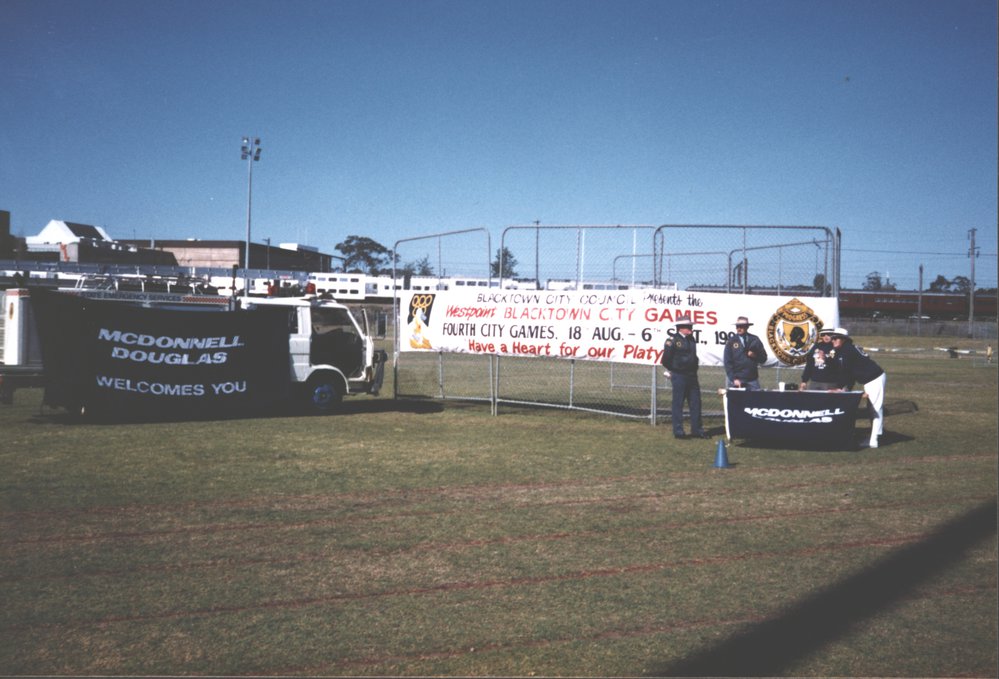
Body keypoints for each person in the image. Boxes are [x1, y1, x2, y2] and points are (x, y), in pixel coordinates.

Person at [828, 328, 886, 449]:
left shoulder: (847, 351)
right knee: (872, 409)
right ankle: (875, 437)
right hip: (868, 379)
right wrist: (844, 388)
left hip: (875, 377)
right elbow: (850, 374)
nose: (833, 340)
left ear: (843, 339)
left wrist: (843, 388)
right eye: (832, 338)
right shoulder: (845, 349)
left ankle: (874, 440)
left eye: (836, 338)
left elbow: (846, 373)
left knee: (875, 409)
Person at [661, 315, 708, 439]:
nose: (691, 329)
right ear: (680, 328)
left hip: (692, 376)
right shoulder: (672, 340)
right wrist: (675, 369)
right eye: (688, 326)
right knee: (678, 403)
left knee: (696, 403)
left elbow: (693, 356)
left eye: (691, 326)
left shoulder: (691, 339)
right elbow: (666, 359)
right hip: (679, 375)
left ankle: (697, 430)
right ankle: (679, 431)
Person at [723, 315, 768, 390]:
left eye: (741, 326)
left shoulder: (755, 340)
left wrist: (755, 356)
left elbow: (764, 358)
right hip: (736, 380)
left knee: (755, 400)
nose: (739, 328)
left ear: (747, 327)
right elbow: (727, 362)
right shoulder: (731, 341)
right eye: (737, 326)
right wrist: (733, 379)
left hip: (752, 379)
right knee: (735, 401)